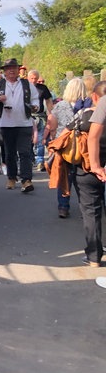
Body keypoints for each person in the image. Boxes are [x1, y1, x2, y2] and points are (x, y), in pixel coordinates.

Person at [0, 58, 40, 192]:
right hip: (6, 124)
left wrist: (35, 106)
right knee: (10, 153)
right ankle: (11, 177)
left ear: (18, 70)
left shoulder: (26, 84)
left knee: (25, 152)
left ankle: (26, 180)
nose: (11, 70)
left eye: (14, 68)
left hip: (24, 122)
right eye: (8, 68)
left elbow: (35, 98)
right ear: (5, 71)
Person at [75, 80, 106, 267]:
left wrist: (94, 165)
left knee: (91, 211)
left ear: (94, 96)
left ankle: (94, 257)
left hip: (89, 168)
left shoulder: (86, 114)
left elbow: (92, 136)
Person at [47, 78, 84, 218]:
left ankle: (63, 206)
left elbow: (52, 125)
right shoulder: (88, 105)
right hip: (81, 145)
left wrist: (53, 140)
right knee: (81, 177)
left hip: (64, 145)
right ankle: (84, 206)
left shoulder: (60, 105)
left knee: (64, 176)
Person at [28, 70, 54, 171]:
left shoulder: (42, 88)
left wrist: (51, 114)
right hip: (27, 116)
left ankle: (40, 161)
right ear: (28, 78)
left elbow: (48, 101)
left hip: (40, 116)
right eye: (32, 78)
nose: (34, 80)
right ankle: (30, 159)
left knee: (40, 140)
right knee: (28, 140)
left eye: (35, 78)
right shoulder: (24, 88)